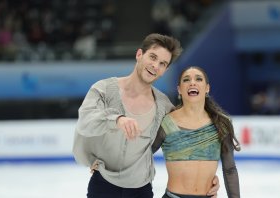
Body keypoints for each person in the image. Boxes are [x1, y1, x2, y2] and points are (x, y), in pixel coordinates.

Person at [72, 33, 220, 198]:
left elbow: (185, 141)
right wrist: (117, 119)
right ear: (139, 55)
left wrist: (206, 179)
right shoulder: (104, 89)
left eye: (162, 63)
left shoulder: (164, 106)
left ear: (165, 70)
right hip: (103, 185)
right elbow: (85, 120)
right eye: (153, 57)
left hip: (140, 189)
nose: (155, 65)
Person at [152, 66, 241, 198]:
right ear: (179, 90)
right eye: (186, 80)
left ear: (207, 88)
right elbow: (143, 157)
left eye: (198, 79)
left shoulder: (221, 124)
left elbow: (229, 170)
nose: (192, 82)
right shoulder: (167, 123)